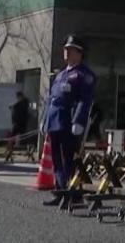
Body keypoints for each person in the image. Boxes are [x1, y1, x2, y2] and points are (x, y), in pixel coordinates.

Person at [42, 34, 95, 206]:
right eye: (65, 49)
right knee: (56, 160)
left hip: (68, 122)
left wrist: (78, 120)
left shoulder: (83, 74)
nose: (66, 52)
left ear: (79, 53)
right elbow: (51, 99)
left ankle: (72, 194)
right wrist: (44, 119)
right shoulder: (60, 75)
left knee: (68, 159)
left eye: (70, 49)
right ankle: (60, 191)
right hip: (54, 121)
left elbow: (84, 100)